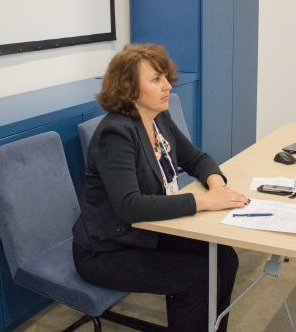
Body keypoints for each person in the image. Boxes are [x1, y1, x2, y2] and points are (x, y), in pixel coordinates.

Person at [72, 43, 249, 331]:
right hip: (107, 249)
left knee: (225, 259)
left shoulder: (158, 118)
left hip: (148, 232)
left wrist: (217, 186)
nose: (167, 85)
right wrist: (205, 202)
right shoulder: (115, 134)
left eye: (165, 77)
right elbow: (130, 206)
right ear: (129, 89)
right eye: (156, 79)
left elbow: (197, 159)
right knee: (197, 277)